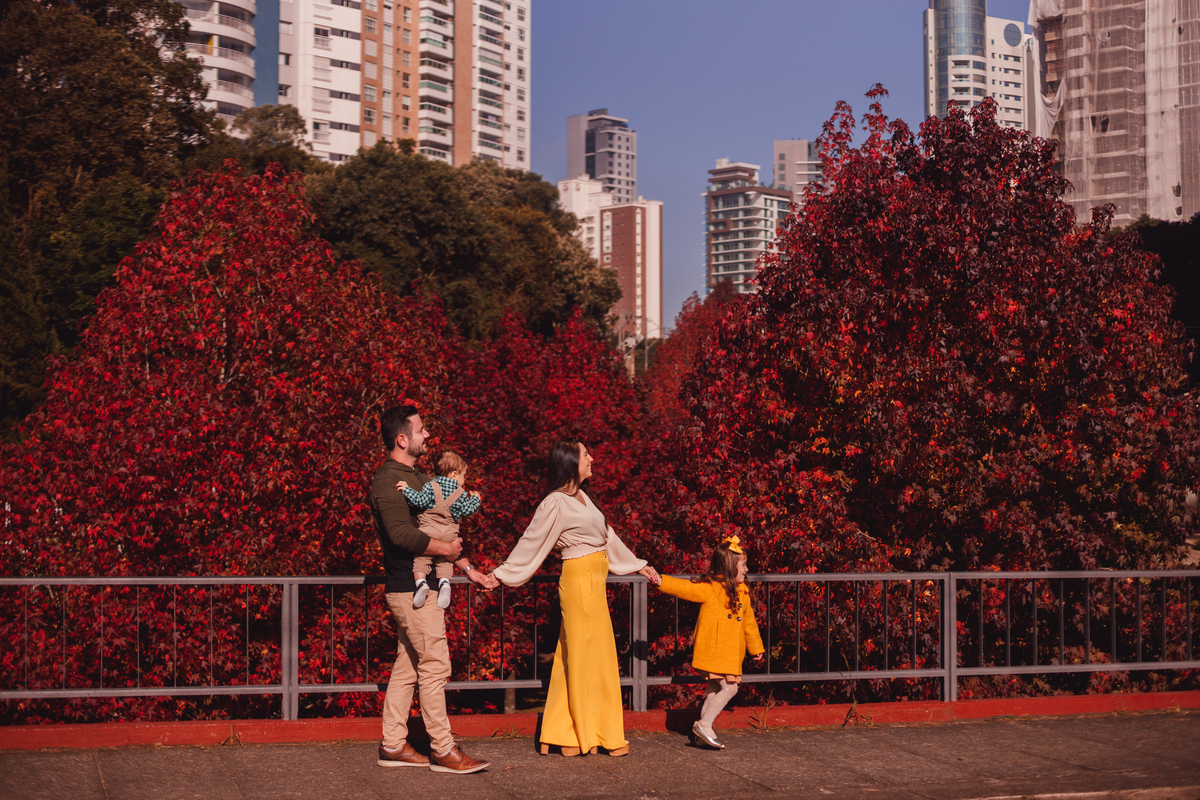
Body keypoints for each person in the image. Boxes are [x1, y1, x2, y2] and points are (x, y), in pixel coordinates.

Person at [487, 441, 660, 757]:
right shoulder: (555, 502)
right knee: (583, 658)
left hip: (595, 581)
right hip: (579, 582)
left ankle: (567, 735)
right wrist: (500, 574)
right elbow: (531, 540)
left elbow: (609, 539)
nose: (592, 458)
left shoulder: (584, 499)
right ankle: (584, 736)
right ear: (569, 462)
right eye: (585, 455)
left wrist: (640, 565)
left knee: (587, 657)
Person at [369, 404, 491, 774]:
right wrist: (446, 551)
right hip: (410, 586)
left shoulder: (422, 479)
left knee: (408, 666)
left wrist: (468, 568)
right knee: (436, 666)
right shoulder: (387, 481)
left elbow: (443, 527)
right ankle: (444, 750)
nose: (427, 436)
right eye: (421, 431)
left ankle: (392, 744)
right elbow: (401, 535)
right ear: (401, 439)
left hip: (423, 584)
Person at [655, 535, 764, 750]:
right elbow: (686, 589)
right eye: (743, 565)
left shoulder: (743, 593)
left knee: (714, 690)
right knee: (730, 689)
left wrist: (756, 648)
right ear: (731, 566)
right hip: (715, 649)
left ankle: (701, 734)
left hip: (730, 652)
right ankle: (704, 725)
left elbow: (749, 623)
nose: (746, 569)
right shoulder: (712, 588)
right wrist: (660, 580)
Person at [400, 450, 483, 610]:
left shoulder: (430, 486)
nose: (464, 480)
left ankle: (420, 583)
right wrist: (475, 499)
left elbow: (418, 500)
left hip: (429, 531)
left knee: (421, 559)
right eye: (463, 476)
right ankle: (445, 583)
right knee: (445, 560)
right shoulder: (460, 494)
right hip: (449, 535)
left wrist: (406, 489)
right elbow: (468, 510)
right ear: (454, 475)